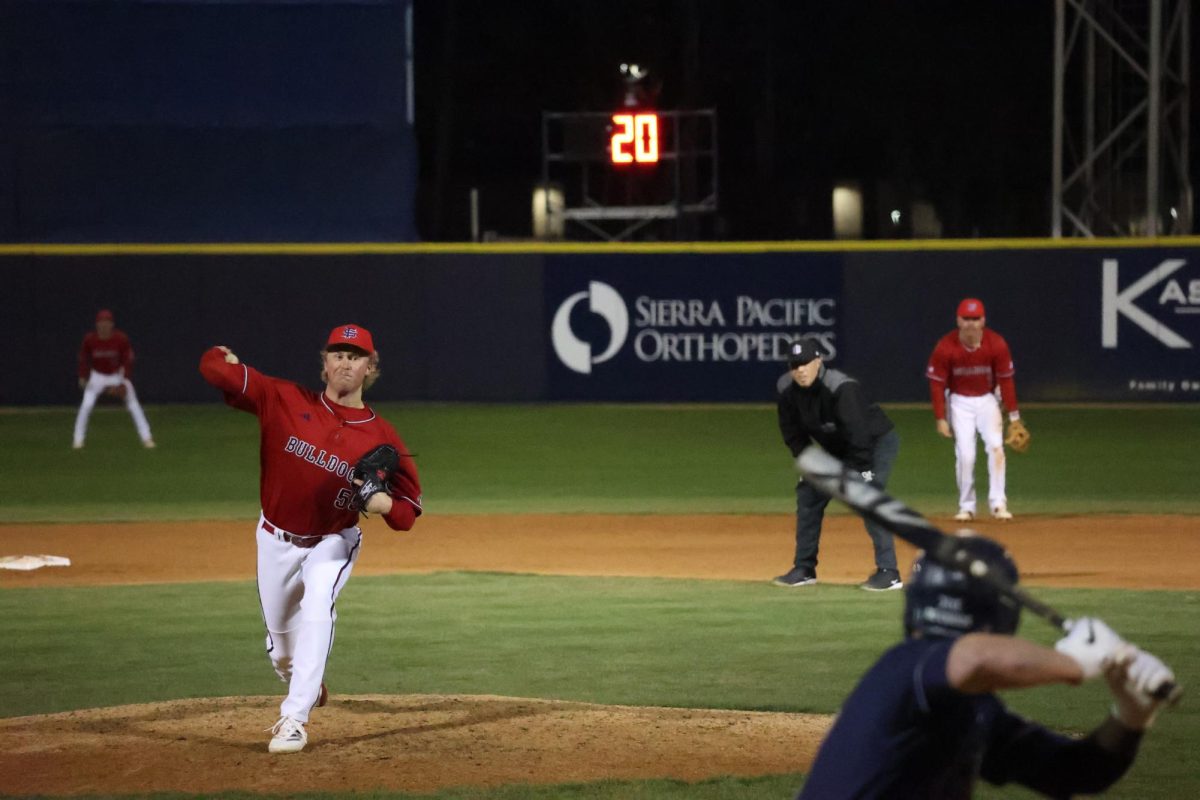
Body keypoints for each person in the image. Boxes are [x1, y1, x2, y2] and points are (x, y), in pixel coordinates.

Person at [797, 533, 1176, 799]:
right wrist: (1074, 662)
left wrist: (1131, 716)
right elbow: (972, 658)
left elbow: (1076, 772)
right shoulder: (906, 668)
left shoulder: (975, 711)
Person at [199, 324, 423, 754]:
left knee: (319, 601)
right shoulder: (282, 399)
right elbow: (214, 371)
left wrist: (383, 507)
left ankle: (294, 720)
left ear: (370, 368)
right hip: (274, 539)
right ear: (324, 363)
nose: (345, 362)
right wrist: (218, 353)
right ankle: (307, 681)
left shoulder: (383, 436)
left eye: (355, 356)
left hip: (332, 539)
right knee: (284, 655)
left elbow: (408, 514)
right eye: (337, 353)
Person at [774, 338, 902, 591]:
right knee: (809, 494)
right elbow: (792, 434)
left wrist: (862, 472)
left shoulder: (842, 388)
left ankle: (889, 572)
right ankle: (804, 568)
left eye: (806, 363)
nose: (800, 369)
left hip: (874, 444)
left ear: (818, 361)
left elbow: (859, 434)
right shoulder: (787, 391)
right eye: (795, 364)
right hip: (837, 448)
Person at [926, 297, 1021, 521]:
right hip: (959, 401)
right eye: (966, 318)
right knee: (966, 455)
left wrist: (1015, 416)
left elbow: (1006, 381)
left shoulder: (996, 344)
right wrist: (940, 417)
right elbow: (937, 384)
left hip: (987, 399)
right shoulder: (945, 346)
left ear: (983, 320)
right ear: (958, 320)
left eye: (975, 318)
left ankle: (998, 503)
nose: (970, 323)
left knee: (997, 448)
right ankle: (967, 506)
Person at [73, 308, 155, 449]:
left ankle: (147, 438)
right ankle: (78, 440)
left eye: (107, 323)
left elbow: (128, 361)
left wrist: (124, 381)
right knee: (86, 405)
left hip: (117, 375)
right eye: (101, 323)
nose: (104, 325)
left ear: (112, 325)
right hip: (97, 376)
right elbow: (83, 359)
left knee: (133, 404)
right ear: (97, 325)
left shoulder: (121, 339)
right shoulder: (90, 340)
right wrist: (82, 375)